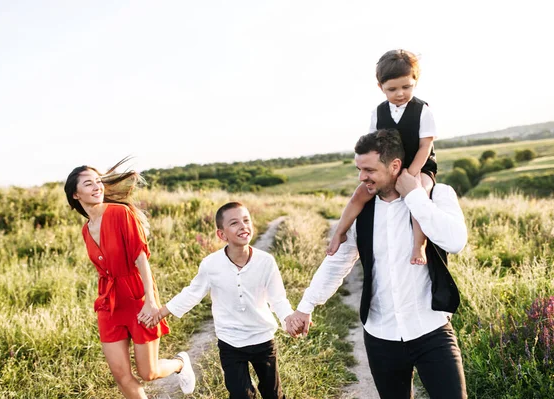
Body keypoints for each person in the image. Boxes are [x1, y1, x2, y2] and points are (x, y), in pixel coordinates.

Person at [286, 130, 468, 398]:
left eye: (369, 169)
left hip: (431, 330)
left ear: (395, 166)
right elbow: (337, 263)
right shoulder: (363, 211)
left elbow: (455, 241)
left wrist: (414, 196)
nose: (362, 177)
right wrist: (305, 307)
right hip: (380, 335)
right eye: (359, 169)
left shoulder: (437, 195)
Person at [64, 159, 196, 399]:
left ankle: (179, 363)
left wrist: (150, 301)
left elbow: (140, 258)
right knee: (121, 375)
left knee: (149, 372)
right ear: (75, 194)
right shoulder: (86, 229)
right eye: (88, 184)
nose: (97, 187)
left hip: (137, 295)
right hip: (109, 302)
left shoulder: (120, 213)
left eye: (98, 182)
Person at [151, 202, 292, 399]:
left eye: (246, 220)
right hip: (230, 342)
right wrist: (161, 312)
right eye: (234, 223)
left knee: (273, 393)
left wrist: (289, 319)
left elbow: (278, 299)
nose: (243, 226)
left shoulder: (266, 261)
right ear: (222, 235)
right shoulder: (211, 264)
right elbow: (192, 292)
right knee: (240, 395)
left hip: (263, 339)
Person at [327, 49, 438, 265]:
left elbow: (426, 146)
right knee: (359, 194)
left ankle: (419, 246)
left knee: (418, 194)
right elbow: (373, 146)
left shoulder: (422, 111)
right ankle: (340, 231)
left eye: (407, 87)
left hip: (419, 166)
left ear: (415, 81)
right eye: (392, 89)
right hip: (388, 168)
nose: (400, 94)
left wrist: (411, 173)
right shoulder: (378, 113)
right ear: (381, 88)